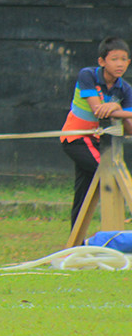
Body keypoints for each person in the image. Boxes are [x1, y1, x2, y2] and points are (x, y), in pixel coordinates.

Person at [60, 37, 132, 229]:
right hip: (75, 138)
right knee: (108, 174)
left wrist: (117, 107)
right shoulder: (88, 75)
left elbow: (130, 129)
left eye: (124, 59)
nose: (119, 64)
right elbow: (98, 110)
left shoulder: (125, 89)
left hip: (99, 141)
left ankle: (76, 240)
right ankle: (114, 227)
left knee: (83, 192)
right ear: (102, 61)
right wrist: (121, 110)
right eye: (114, 59)